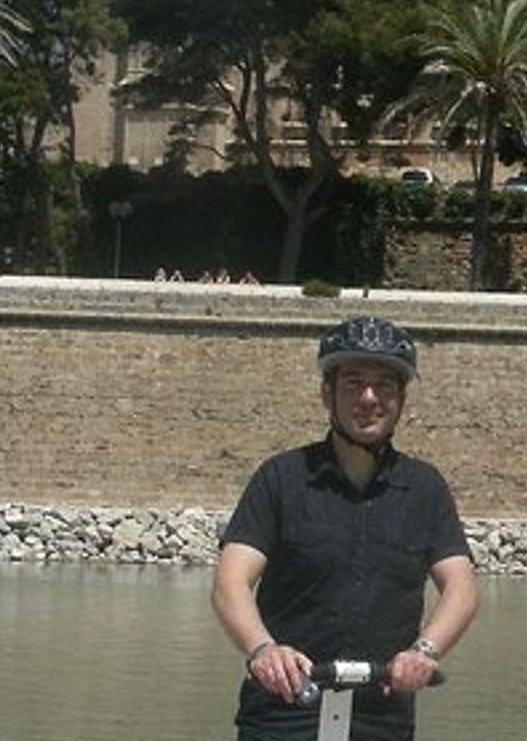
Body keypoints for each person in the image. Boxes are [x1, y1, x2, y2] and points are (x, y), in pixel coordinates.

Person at [213, 317, 480, 741]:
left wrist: (424, 651)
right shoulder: (281, 478)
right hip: (286, 704)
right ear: (327, 393)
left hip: (382, 711)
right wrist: (262, 649)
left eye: (384, 386)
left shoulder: (424, 488)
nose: (369, 398)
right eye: (353, 383)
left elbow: (461, 587)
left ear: (402, 400)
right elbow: (231, 580)